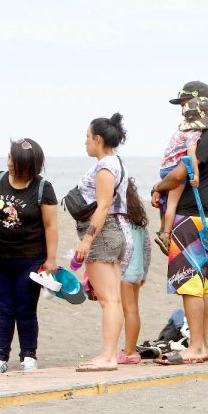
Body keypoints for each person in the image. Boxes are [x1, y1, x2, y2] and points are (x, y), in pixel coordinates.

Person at [151, 81, 208, 365]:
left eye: (186, 103)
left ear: (203, 103)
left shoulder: (207, 136)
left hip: (190, 217)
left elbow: (179, 173)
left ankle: (196, 345)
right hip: (204, 216)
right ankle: (203, 344)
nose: (184, 109)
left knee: (188, 284)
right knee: (202, 285)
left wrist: (158, 187)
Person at [0, 138, 58, 374]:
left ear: (27, 164)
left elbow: (51, 226)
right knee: (4, 309)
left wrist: (51, 259)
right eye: (8, 158)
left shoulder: (42, 188)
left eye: (13, 160)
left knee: (26, 308)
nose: (8, 163)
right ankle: (0, 358)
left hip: (30, 260)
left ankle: (28, 356)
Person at [74, 113, 129, 372]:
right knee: (113, 299)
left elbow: (104, 206)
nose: (85, 142)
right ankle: (110, 354)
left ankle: (108, 356)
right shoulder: (115, 161)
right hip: (113, 232)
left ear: (97, 138)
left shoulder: (105, 167)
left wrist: (86, 240)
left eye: (87, 136)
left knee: (108, 300)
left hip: (103, 233)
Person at [154, 96, 208, 253]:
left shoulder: (180, 130)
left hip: (165, 167)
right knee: (172, 204)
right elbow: (191, 156)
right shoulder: (193, 134)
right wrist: (195, 175)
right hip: (174, 168)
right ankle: (165, 234)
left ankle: (162, 228)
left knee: (167, 200)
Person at [117, 178, 151, 365]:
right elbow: (147, 248)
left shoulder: (119, 221)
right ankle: (130, 348)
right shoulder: (138, 221)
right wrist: (144, 273)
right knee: (133, 311)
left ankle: (130, 351)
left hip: (125, 273)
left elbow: (124, 247)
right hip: (137, 273)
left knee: (128, 311)